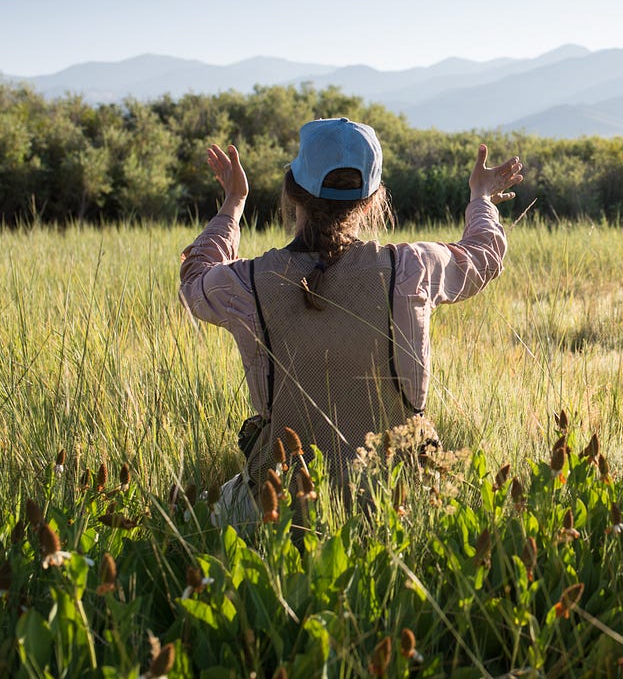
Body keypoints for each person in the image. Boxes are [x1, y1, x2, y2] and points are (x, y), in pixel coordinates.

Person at [179, 117, 523, 519]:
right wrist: (481, 198)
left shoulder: (247, 283)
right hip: (398, 504)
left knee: (191, 516)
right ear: (373, 199)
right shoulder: (411, 267)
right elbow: (483, 255)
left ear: (291, 190)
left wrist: (233, 204)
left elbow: (194, 279)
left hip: (281, 508)